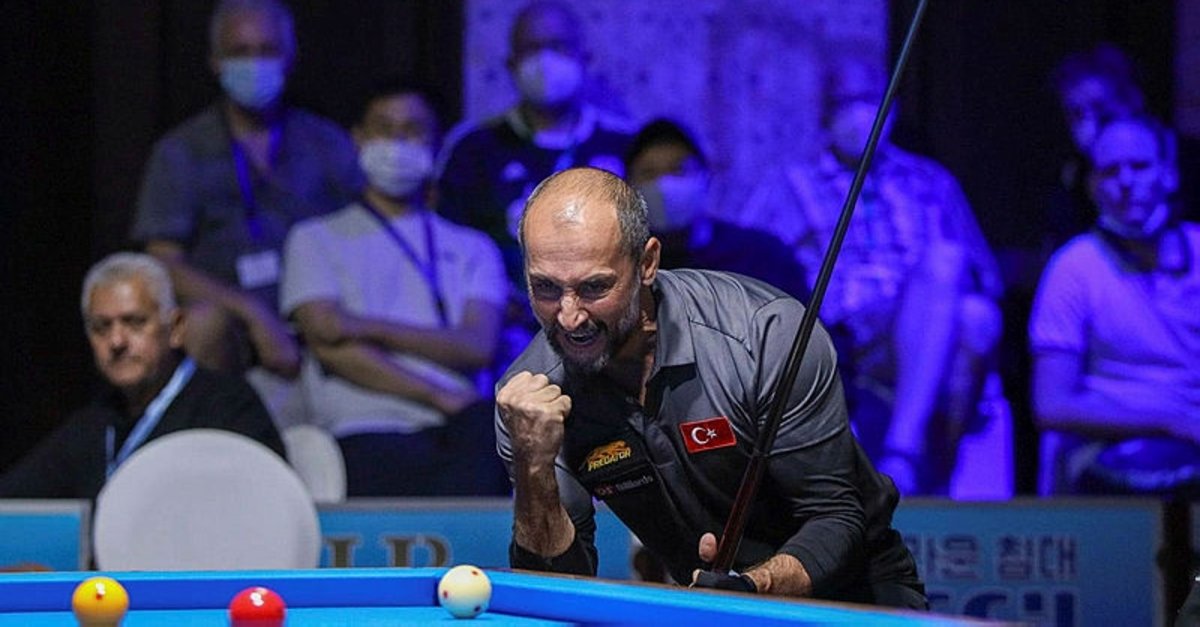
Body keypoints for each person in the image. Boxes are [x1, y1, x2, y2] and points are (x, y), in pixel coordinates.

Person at [495, 167, 925, 607]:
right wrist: (533, 468)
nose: (569, 317)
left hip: (857, 597)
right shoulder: (528, 399)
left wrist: (750, 590)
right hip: (708, 604)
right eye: (545, 288)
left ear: (646, 263)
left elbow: (836, 516)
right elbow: (554, 588)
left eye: (594, 287)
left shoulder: (765, 335)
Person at [735, 55, 1006, 496]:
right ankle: (915, 470)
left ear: (890, 107)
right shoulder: (788, 185)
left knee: (973, 309)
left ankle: (907, 458)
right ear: (825, 114)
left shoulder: (931, 181)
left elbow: (986, 277)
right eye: (844, 102)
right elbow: (745, 264)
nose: (858, 113)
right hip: (840, 341)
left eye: (869, 100)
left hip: (926, 328)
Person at [131, 0, 362, 425]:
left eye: (267, 50)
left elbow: (363, 233)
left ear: (289, 58)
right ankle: (202, 437)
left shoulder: (325, 143)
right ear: (216, 62)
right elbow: (162, 260)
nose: (255, 64)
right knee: (203, 323)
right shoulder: (181, 150)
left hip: (318, 316)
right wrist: (252, 313)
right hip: (232, 324)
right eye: (240, 52)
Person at [280, 79, 510, 496]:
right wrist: (437, 394)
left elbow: (476, 345)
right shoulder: (314, 239)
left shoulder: (473, 247)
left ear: (436, 142)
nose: (398, 142)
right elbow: (327, 341)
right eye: (384, 129)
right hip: (365, 427)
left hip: (465, 426)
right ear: (358, 138)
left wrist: (360, 325)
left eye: (413, 130)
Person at [0, 253, 285, 499]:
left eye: (134, 322)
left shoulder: (229, 407)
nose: (116, 341)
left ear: (176, 328)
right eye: (102, 327)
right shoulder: (93, 424)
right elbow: (13, 504)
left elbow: (271, 505)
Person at [1029, 114, 1200, 497]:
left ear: (1169, 175)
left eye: (1139, 166)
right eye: (1110, 171)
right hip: (1107, 447)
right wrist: (1168, 422)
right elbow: (1050, 404)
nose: (1126, 181)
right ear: (1092, 185)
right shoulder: (1074, 266)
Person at [436, 0, 635, 288]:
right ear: (511, 64)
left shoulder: (624, 142)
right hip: (501, 307)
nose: (545, 60)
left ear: (585, 59)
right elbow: (449, 242)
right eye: (531, 48)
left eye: (558, 46)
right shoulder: (473, 147)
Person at [624, 118, 811, 302]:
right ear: (628, 186)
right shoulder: (626, 265)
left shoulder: (762, 255)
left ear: (706, 177)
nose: (665, 184)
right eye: (649, 173)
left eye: (679, 170)